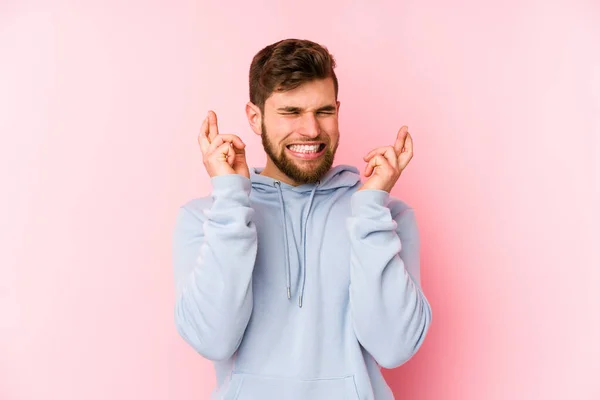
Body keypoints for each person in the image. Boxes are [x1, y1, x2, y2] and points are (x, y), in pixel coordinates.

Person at [172, 38, 432, 400]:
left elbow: (395, 347)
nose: (311, 130)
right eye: (291, 112)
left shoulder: (387, 216)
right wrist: (231, 198)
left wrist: (371, 207)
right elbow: (212, 339)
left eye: (324, 111)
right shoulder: (207, 217)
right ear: (255, 116)